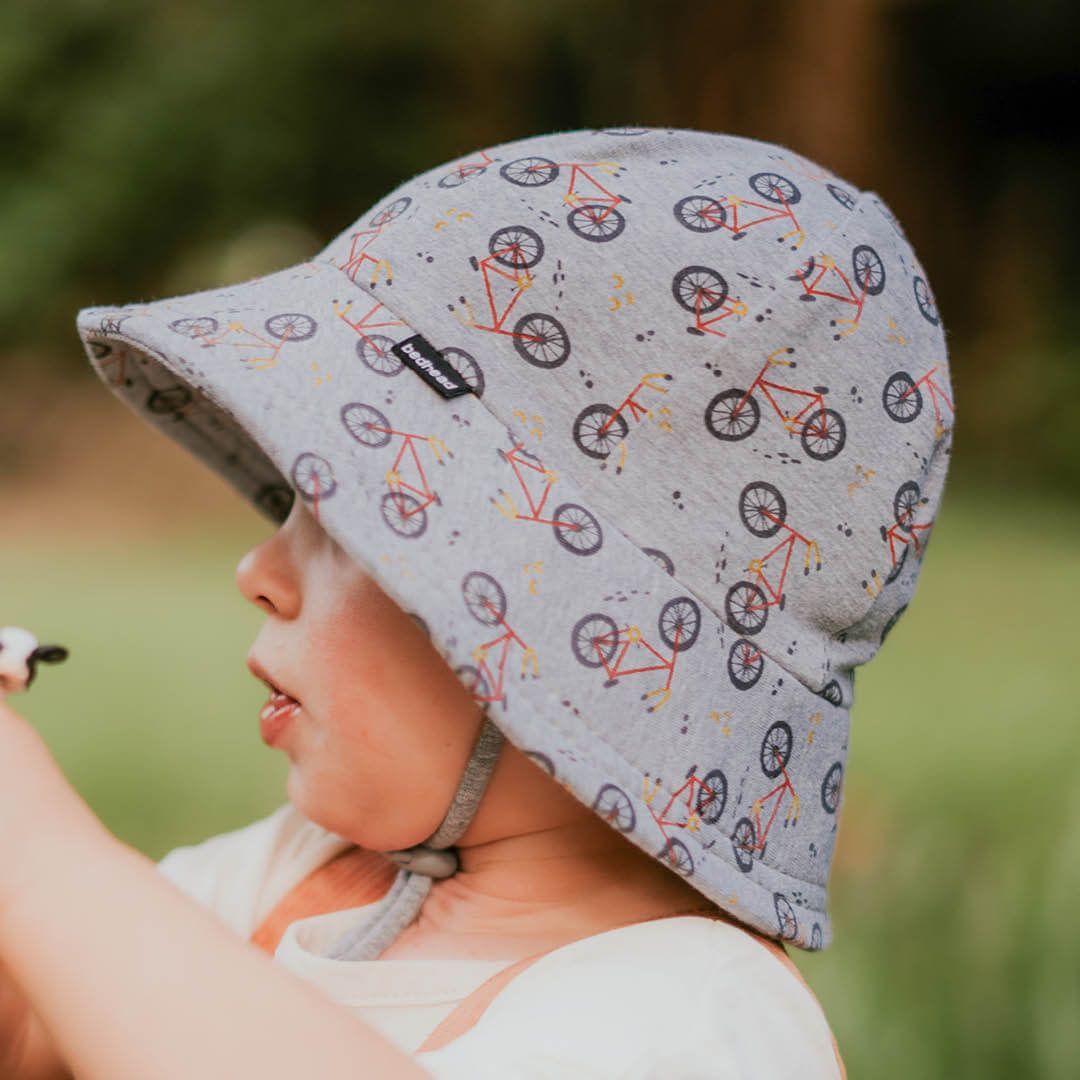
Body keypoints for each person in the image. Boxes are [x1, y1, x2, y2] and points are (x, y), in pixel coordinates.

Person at [0, 128, 952, 1078]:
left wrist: (44, 861)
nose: (259, 568)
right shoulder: (305, 872)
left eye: (344, 517)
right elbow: (49, 1023)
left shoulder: (703, 1021)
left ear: (561, 633)